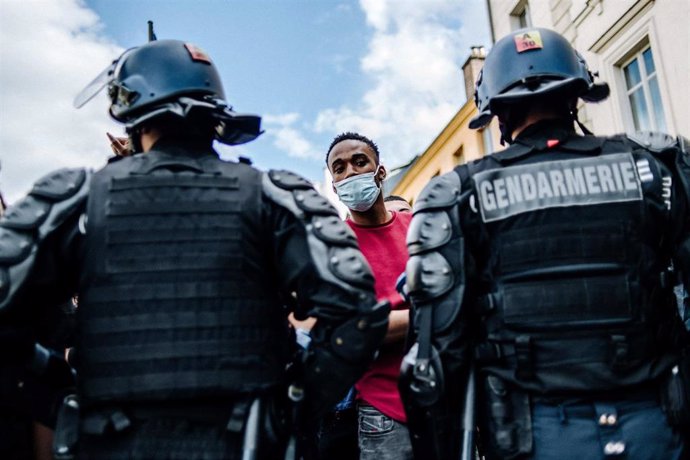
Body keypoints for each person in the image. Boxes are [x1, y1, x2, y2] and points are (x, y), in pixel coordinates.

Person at [0, 39, 389, 459]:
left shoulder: (74, 199)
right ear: (214, 112)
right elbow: (357, 314)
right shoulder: (276, 196)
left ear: (131, 113)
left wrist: (64, 397)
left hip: (114, 439)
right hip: (246, 439)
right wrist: (292, 403)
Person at [401, 27, 690, 460]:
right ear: (576, 95)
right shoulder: (657, 164)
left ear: (496, 113)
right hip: (660, 422)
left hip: (533, 433)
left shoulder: (458, 194)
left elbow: (435, 362)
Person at [327, 132, 413, 460]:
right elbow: (354, 331)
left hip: (443, 398)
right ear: (334, 186)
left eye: (359, 162)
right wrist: (427, 314)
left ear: (381, 172)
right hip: (381, 409)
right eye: (339, 168)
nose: (350, 172)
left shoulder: (419, 227)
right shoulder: (333, 247)